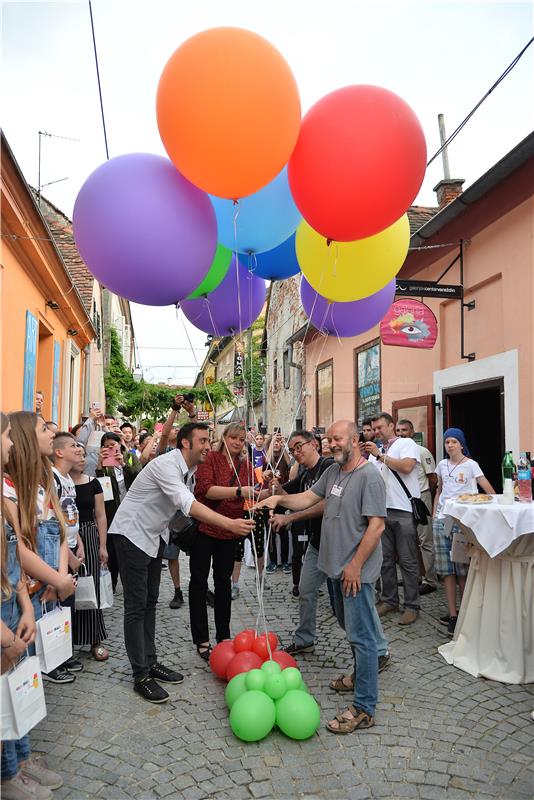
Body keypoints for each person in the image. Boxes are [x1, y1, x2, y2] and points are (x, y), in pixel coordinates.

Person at [107, 423, 254, 703]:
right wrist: (229, 524)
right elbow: (188, 504)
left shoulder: (189, 470)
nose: (207, 446)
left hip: (152, 537)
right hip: (131, 535)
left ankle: (150, 662)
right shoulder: (167, 465)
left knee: (150, 602)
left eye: (209, 440)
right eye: (202, 440)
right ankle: (140, 675)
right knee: (136, 607)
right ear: (186, 443)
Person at [258, 420, 387, 732]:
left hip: (355, 572)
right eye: (328, 439)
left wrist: (355, 566)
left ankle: (364, 707)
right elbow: (306, 499)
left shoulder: (369, 475)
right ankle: (359, 675)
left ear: (355, 440)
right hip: (334, 567)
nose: (331, 444)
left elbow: (377, 526)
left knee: (363, 637)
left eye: (337, 438)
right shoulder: (333, 472)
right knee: (349, 628)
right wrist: (278, 500)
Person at [1, 413, 64, 800]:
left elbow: (10, 555)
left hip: (14, 605)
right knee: (5, 693)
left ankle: (20, 761)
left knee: (19, 687)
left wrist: (24, 606)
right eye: (5, 436)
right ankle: (9, 774)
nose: (9, 444)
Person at [5, 412, 76, 686]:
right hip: (28, 590)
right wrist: (55, 578)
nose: (51, 433)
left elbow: (59, 531)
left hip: (45, 585)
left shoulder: (44, 479)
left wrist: (58, 576)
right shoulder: (11, 487)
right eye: (44, 428)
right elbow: (17, 548)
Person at [192, 424, 262, 656]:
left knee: (223, 585)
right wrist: (239, 492)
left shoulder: (246, 465)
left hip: (230, 532)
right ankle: (201, 639)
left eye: (242, 439)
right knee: (199, 583)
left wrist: (267, 488)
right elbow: (206, 490)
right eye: (233, 437)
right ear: (224, 437)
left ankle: (223, 636)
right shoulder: (210, 458)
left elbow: (255, 493)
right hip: (204, 528)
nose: (237, 442)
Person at [269, 430, 334, 648]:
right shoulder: (305, 475)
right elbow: (288, 498)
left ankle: (376, 647)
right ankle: (305, 638)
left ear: (314, 444)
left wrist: (291, 518)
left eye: (299, 447)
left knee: (343, 604)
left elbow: (325, 505)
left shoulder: (329, 467)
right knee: (306, 590)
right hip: (316, 543)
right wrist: (276, 489)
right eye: (292, 450)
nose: (296, 453)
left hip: (336, 544)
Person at [433, 428, 495, 635]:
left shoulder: (471, 465)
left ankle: (467, 613)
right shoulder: (441, 465)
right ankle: (452, 614)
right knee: (446, 571)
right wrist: (435, 514)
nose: (449, 445)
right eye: (447, 442)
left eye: (453, 441)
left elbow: (489, 490)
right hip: (443, 521)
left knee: (462, 570)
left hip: (463, 523)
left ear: (461, 444)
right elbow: (439, 491)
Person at [367, 412, 422, 625]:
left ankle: (412, 605)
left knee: (408, 561)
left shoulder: (406, 443)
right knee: (385, 560)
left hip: (404, 510)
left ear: (391, 425)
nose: (377, 431)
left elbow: (407, 467)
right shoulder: (376, 451)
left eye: (380, 427)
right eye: (374, 429)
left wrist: (381, 457)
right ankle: (389, 600)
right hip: (382, 510)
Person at [70, 444, 109, 661]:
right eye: (79, 455)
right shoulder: (60, 482)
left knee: (90, 586)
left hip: (89, 533)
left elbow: (101, 515)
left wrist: (102, 545)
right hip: (68, 537)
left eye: (85, 455)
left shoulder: (93, 483)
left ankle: (95, 638)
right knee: (69, 588)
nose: (83, 459)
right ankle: (67, 641)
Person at [396, 419, 438, 594]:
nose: (400, 433)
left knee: (424, 540)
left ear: (412, 431)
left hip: (421, 498)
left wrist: (427, 496)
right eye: (398, 430)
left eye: (404, 430)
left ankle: (431, 580)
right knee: (409, 541)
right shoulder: (396, 454)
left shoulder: (422, 451)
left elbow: (433, 478)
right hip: (404, 500)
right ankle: (414, 577)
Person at [95, 431, 141, 591]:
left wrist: (123, 464)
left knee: (131, 546)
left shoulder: (130, 457)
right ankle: (113, 581)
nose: (110, 449)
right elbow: (101, 487)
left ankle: (130, 580)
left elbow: (138, 477)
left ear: (119, 444)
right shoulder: (104, 464)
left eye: (112, 445)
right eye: (106, 446)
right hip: (112, 510)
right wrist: (100, 465)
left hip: (131, 509)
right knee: (113, 547)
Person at [264, 433, 290, 573]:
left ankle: (285, 561)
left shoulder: (283, 458)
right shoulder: (268, 458)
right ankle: (273, 561)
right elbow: (267, 460)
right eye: (274, 442)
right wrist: (272, 441)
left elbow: (288, 461)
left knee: (283, 532)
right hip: (269, 497)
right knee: (271, 532)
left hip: (282, 497)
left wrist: (283, 444)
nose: (276, 444)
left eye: (278, 442)